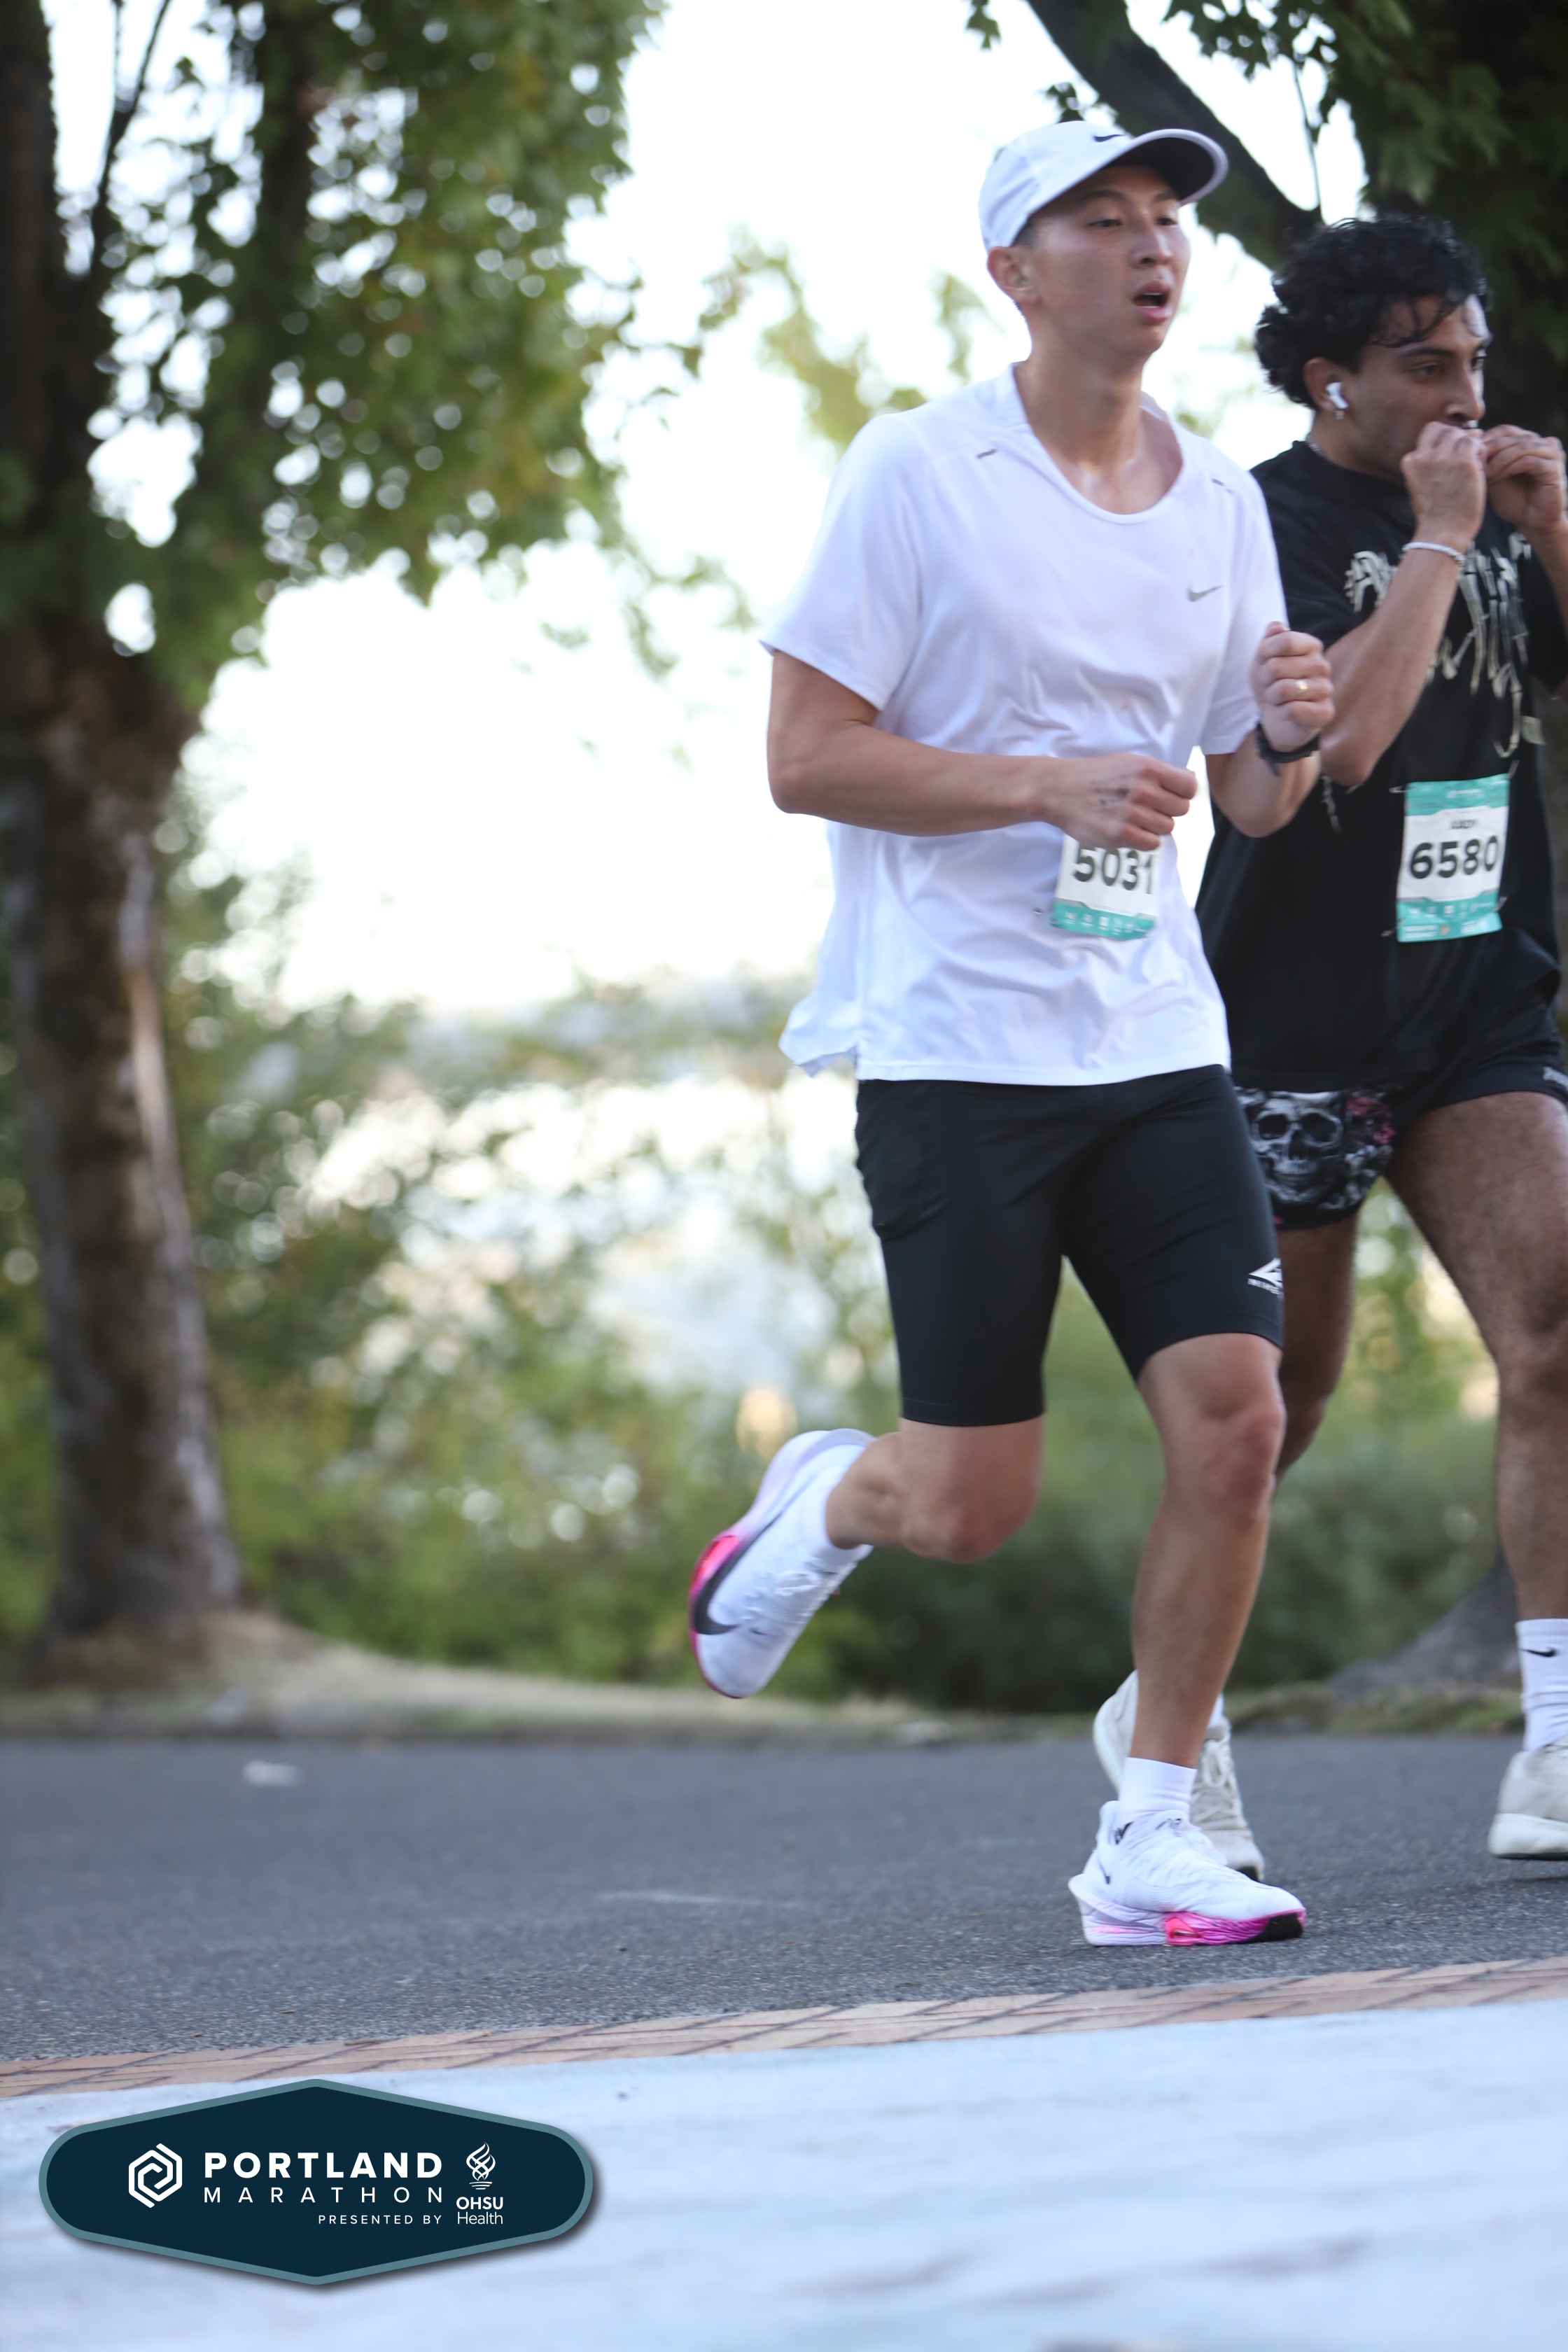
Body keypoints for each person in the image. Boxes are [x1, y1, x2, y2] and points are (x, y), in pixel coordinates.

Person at [687, 119, 1337, 1947]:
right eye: (1103, 221)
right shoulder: (919, 471)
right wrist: (1035, 784)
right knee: (971, 1505)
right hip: (958, 1046)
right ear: (1013, 273)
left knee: (1238, 1421)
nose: (1152, 248)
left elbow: (1253, 796)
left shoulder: (1221, 505)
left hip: (1154, 1038)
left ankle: (1152, 1831)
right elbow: (803, 757)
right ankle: (831, 1502)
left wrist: (1290, 731)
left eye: (1167, 221)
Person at [1091, 214, 1568, 1866]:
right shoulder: (1259, 524)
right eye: (1424, 365)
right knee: (1267, 1410)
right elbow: (1337, 752)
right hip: (1293, 1025)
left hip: (1476, 1000)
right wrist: (1440, 540)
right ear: (1329, 380)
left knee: (1554, 1332)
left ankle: (1554, 1742)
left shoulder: (1492, 514)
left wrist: (1548, 526)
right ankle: (1173, 1721)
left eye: (1475, 362)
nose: (1464, 396)